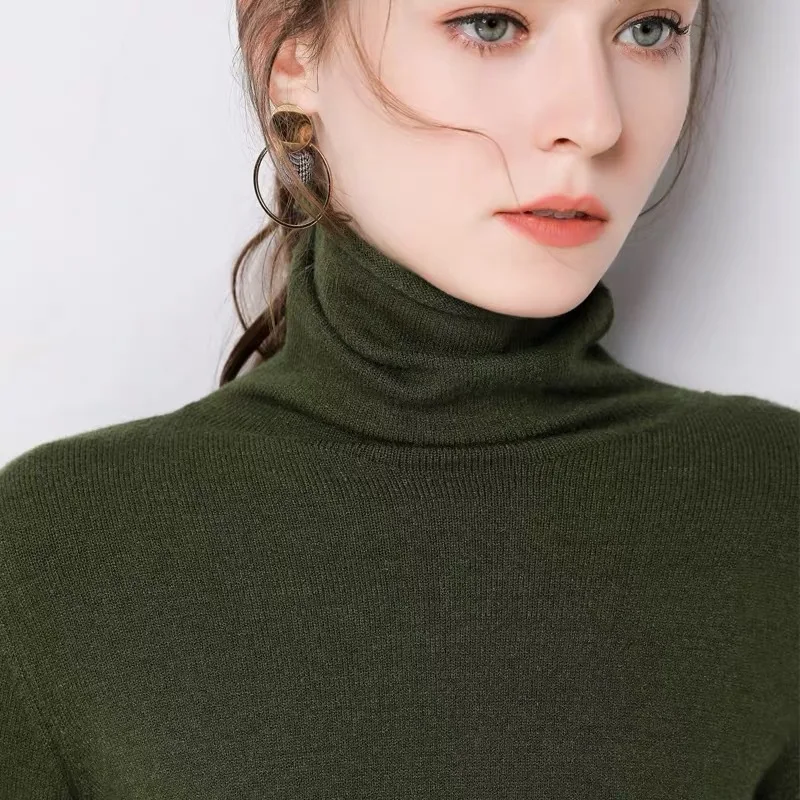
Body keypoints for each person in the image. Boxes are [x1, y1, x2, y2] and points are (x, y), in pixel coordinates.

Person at [1, 0, 797, 796]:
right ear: (291, 57)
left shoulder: (771, 509)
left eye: (649, 30)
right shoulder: (56, 555)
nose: (595, 123)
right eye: (491, 24)